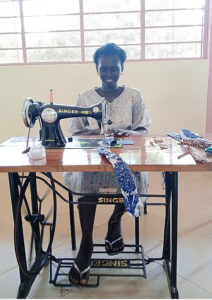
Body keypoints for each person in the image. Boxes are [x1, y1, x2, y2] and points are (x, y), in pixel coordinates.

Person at [64, 43, 151, 286]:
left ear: (122, 68)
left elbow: (143, 129)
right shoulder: (85, 98)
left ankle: (115, 220)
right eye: (104, 69)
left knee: (133, 176)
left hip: (125, 160)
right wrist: (95, 135)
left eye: (115, 69)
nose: (110, 74)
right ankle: (87, 242)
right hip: (94, 160)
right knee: (84, 177)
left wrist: (123, 134)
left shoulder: (135, 96)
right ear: (97, 69)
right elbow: (76, 133)